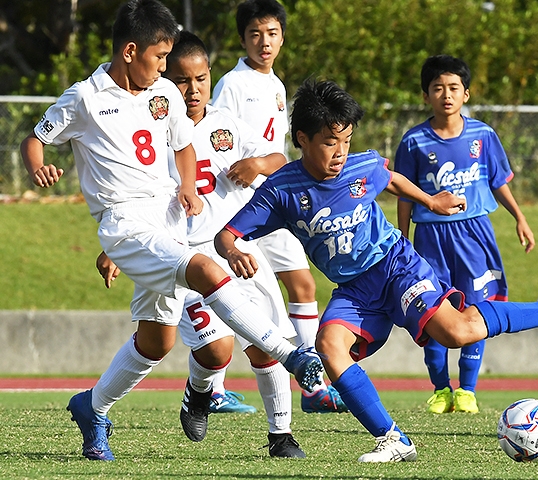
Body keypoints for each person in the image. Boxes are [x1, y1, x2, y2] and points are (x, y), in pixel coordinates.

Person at [213, 77, 538, 463]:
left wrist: (430, 201)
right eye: (330, 142)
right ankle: (393, 439)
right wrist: (232, 251)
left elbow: (391, 178)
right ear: (302, 138)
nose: (340, 153)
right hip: (353, 290)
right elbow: (226, 235)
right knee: (329, 347)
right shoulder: (280, 190)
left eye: (346, 141)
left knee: (457, 332)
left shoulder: (360, 166)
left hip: (395, 266)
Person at [20, 0, 322, 462]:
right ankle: (291, 354)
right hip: (123, 223)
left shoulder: (161, 92)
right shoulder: (86, 97)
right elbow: (36, 138)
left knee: (156, 341)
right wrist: (39, 167)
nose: (165, 68)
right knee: (204, 268)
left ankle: (92, 407)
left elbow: (182, 144)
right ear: (129, 52)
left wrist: (186, 187)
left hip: (169, 224)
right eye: (159, 57)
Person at [95, 30, 309, 458]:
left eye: (201, 79)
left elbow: (280, 159)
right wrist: (114, 248)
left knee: (266, 345)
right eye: (181, 80)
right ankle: (200, 391)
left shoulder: (226, 123)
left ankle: (281, 436)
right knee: (216, 350)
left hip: (238, 248)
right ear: (162, 79)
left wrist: (256, 163)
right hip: (183, 254)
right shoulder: (151, 135)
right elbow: (128, 197)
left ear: (211, 77)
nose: (192, 90)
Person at [210, 0, 346, 414]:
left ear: (282, 37)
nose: (264, 42)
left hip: (278, 200)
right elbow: (218, 141)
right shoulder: (232, 84)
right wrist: (252, 165)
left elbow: (277, 151)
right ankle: (213, 389)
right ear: (242, 39)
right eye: (255, 34)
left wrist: (269, 164)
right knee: (227, 292)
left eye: (271, 34)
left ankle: (313, 385)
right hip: (241, 204)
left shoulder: (277, 85)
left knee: (303, 286)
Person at [394, 54, 536, 415]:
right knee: (433, 310)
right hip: (430, 236)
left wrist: (519, 218)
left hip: (474, 233)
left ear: (466, 94)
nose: (446, 94)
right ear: (426, 95)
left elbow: (498, 181)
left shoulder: (483, 135)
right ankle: (441, 390)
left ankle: (468, 390)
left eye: (453, 88)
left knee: (478, 307)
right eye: (438, 88)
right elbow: (406, 196)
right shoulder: (413, 142)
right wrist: (403, 238)